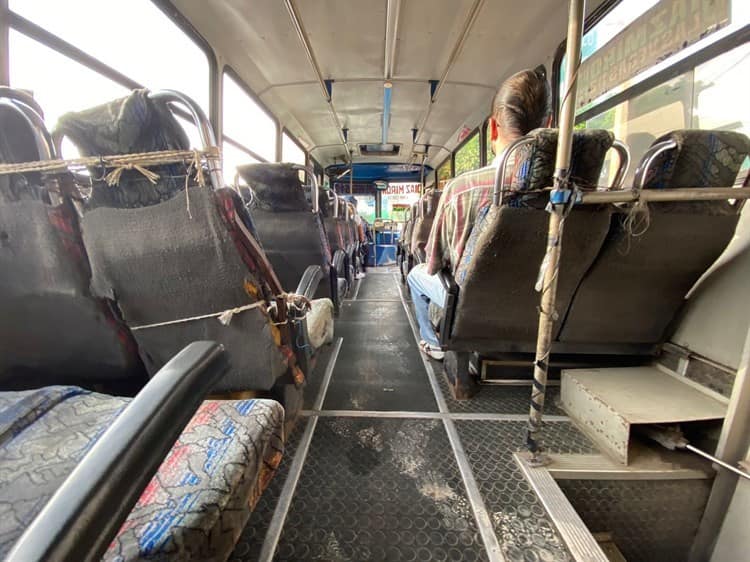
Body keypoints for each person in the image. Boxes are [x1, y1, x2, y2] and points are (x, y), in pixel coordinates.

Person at [407, 67, 551, 360]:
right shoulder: (579, 192)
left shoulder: (461, 189)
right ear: (547, 124)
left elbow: (435, 262)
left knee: (416, 274)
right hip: (544, 304)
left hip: (472, 306)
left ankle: (432, 342)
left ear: (493, 128)